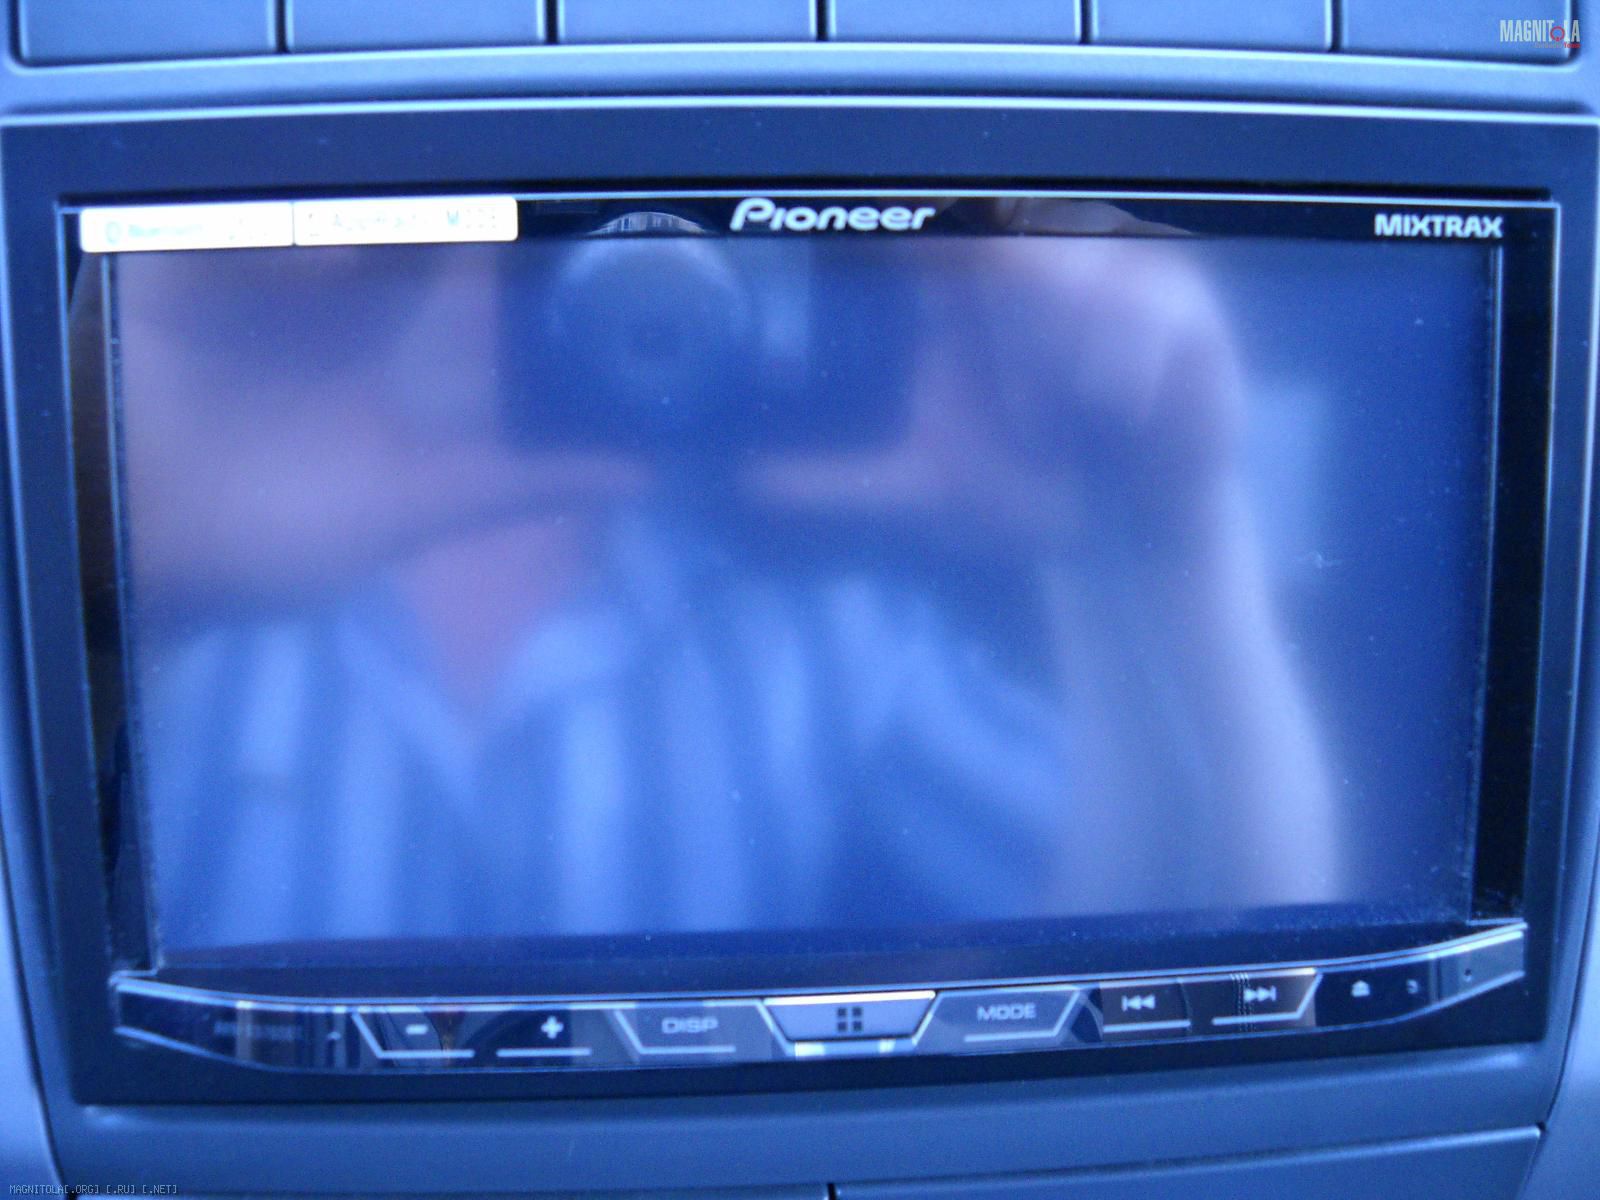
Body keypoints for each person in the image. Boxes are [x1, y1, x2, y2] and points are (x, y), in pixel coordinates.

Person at [81, 199, 1340, 956]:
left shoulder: (816, 636)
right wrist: (113, 544)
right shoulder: (217, 594)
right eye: (523, 233)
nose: (610, 306)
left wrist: (1167, 540)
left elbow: (1248, 954)